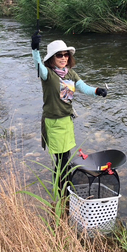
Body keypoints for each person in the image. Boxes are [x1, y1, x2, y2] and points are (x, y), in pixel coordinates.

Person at [31, 31, 107, 193]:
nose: (64, 58)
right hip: (53, 122)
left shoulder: (70, 73)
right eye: (59, 55)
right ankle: (61, 191)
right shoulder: (47, 74)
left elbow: (83, 87)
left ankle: (65, 187)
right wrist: (35, 49)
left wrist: (97, 90)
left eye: (66, 55)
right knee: (60, 160)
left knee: (66, 156)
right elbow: (37, 64)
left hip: (66, 121)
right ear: (52, 58)